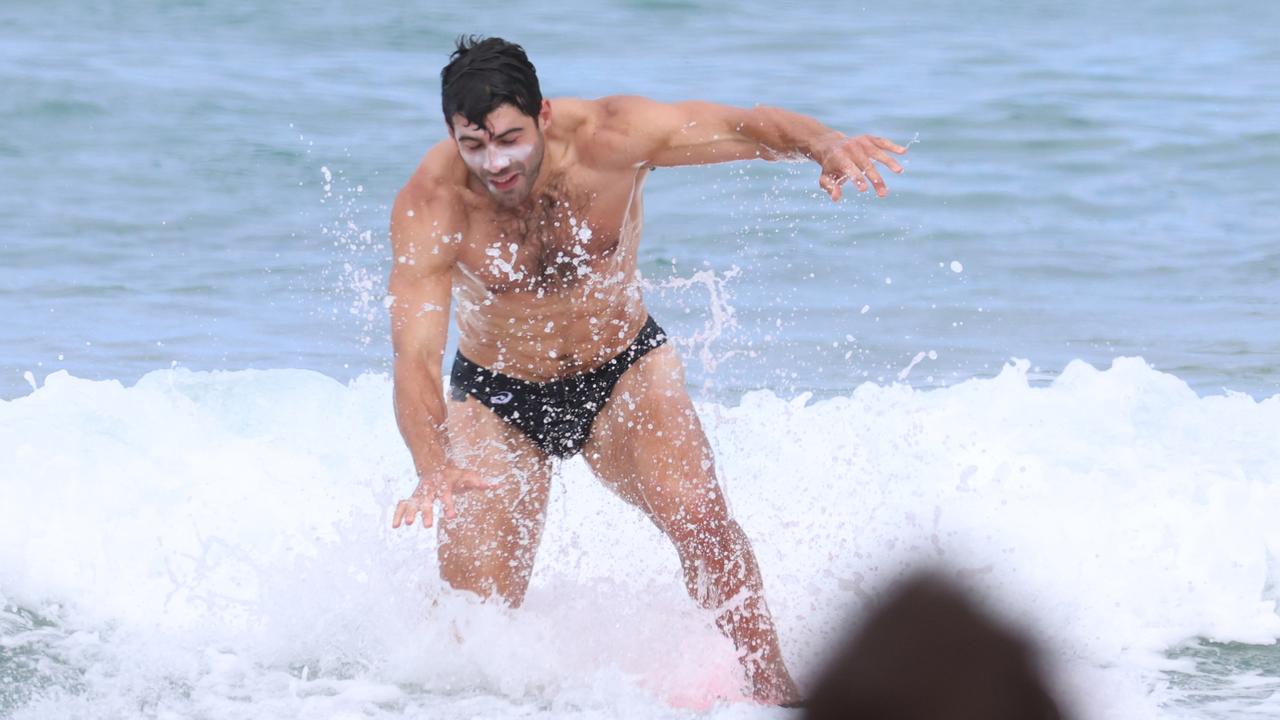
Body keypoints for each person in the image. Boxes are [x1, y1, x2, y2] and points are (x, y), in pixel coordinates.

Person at [388, 36, 906, 705]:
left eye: (510, 138)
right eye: (474, 145)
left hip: (622, 373)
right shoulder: (433, 204)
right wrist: (432, 463)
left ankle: (777, 697)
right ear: (452, 134)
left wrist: (825, 143)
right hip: (497, 397)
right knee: (474, 623)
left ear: (544, 114)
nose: (497, 162)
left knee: (704, 526)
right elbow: (413, 359)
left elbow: (744, 126)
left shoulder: (613, 138)